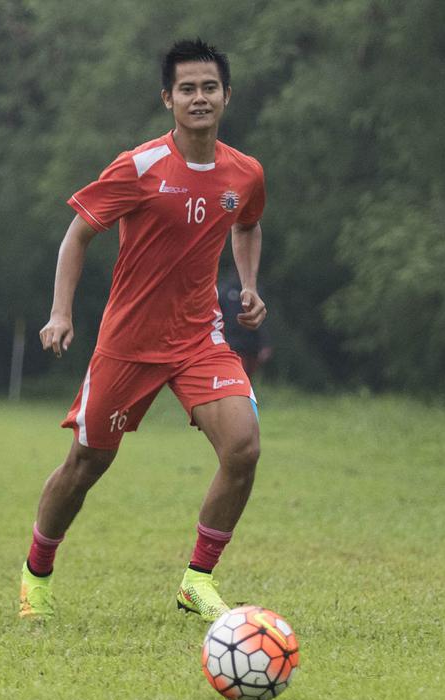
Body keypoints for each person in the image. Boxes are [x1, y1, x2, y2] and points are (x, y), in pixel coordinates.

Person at [18, 39, 268, 621]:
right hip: (127, 342)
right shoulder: (139, 166)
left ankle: (196, 581)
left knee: (244, 447)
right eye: (187, 89)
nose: (199, 97)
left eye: (209, 87)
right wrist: (61, 313)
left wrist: (249, 284)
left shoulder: (245, 172)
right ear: (168, 99)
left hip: (198, 337)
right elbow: (77, 234)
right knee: (85, 465)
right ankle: (37, 573)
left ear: (226, 96)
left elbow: (248, 223)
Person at [218, 277, 273, 376]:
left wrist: (265, 344)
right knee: (237, 376)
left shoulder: (257, 291)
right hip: (232, 344)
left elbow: (263, 320)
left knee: (247, 378)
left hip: (252, 343)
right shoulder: (224, 290)